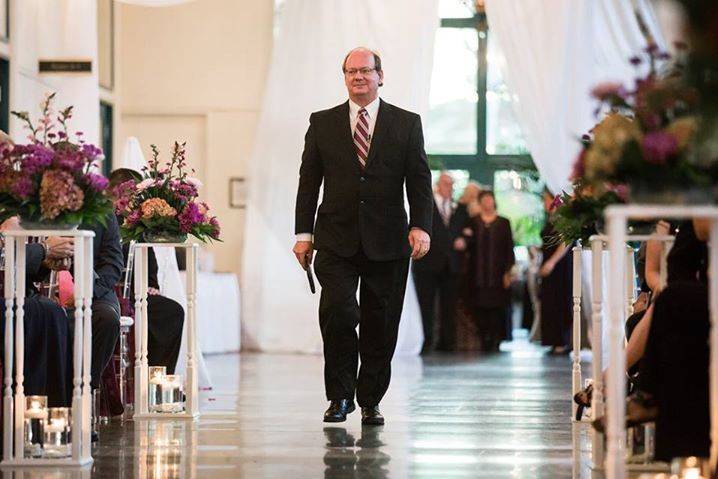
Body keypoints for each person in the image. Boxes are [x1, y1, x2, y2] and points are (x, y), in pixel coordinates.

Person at [293, 47, 433, 425]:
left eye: (365, 71)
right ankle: (339, 397)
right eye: (351, 71)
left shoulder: (406, 123)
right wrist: (303, 234)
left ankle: (370, 398)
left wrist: (421, 225)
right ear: (345, 78)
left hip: (389, 241)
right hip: (335, 240)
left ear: (380, 76)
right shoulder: (322, 123)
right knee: (337, 313)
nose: (358, 77)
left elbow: (420, 179)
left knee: (381, 322)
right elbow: (309, 182)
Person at [109, 168, 185, 373]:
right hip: (110, 292)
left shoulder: (137, 224)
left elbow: (149, 258)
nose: (133, 201)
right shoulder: (105, 220)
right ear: (116, 194)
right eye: (128, 196)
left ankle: (157, 378)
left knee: (172, 311)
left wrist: (152, 284)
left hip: (136, 292)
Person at [0, 217, 72, 407]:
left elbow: (11, 264)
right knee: (38, 311)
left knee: (53, 312)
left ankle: (55, 414)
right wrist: (44, 249)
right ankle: (33, 412)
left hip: (16, 293)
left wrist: (45, 262)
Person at [412, 172, 463, 353]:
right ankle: (427, 341)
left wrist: (464, 239)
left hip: (450, 264)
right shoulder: (428, 204)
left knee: (449, 306)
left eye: (452, 185)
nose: (450, 188)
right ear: (438, 185)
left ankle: (447, 342)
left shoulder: (459, 207)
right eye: (447, 184)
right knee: (426, 304)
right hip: (428, 263)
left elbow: (464, 230)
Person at [464, 191, 514, 352]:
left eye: (489, 200)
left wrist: (508, 271)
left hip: (497, 274)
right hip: (477, 274)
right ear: (480, 203)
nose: (487, 203)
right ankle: (484, 337)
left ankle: (496, 339)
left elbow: (509, 248)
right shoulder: (472, 222)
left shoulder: (504, 222)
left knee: (497, 307)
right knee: (479, 307)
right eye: (484, 200)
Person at [538, 189, 573, 355]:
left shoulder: (564, 217)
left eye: (546, 199)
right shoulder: (550, 218)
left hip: (559, 266)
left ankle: (562, 341)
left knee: (560, 300)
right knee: (550, 301)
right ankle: (553, 340)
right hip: (549, 265)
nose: (544, 203)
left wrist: (552, 262)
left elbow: (566, 241)